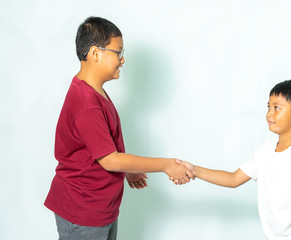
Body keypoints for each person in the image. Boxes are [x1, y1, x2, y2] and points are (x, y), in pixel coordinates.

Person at [44, 16, 194, 240]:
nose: (123, 60)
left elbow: (100, 147)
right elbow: (110, 159)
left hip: (99, 208)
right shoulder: (87, 104)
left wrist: (128, 169)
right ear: (95, 53)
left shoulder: (94, 92)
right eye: (118, 52)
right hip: (82, 212)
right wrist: (166, 165)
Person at [176, 80, 291, 240]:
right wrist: (195, 170)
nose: (269, 113)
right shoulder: (266, 150)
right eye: (268, 106)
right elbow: (233, 179)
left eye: (277, 108)